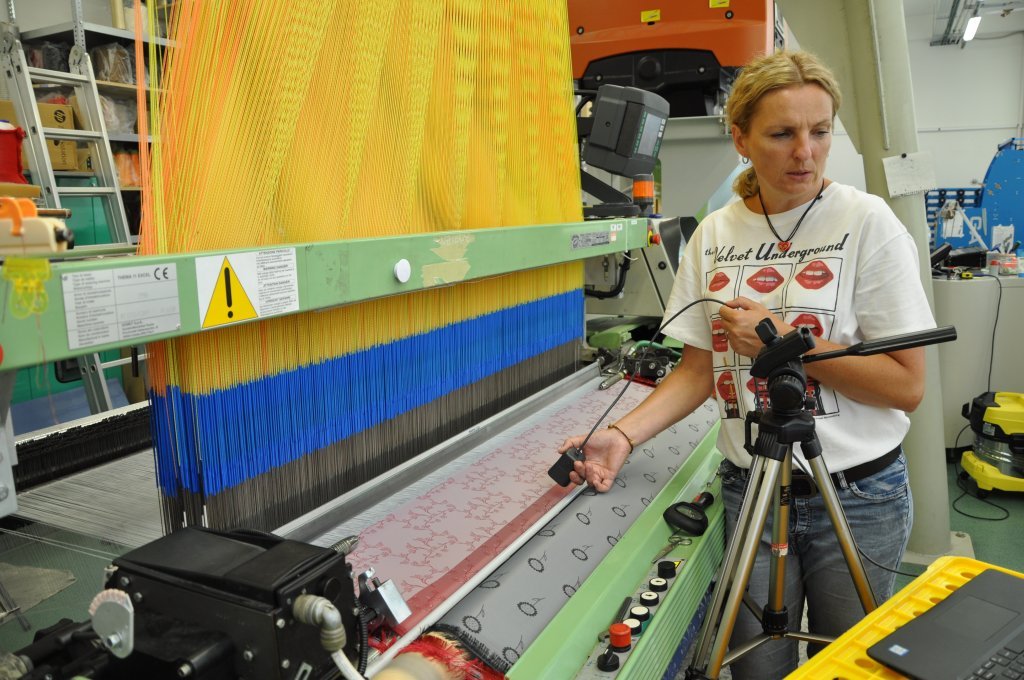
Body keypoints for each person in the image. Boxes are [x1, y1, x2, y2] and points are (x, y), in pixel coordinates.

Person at [558, 50, 935, 679]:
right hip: (752, 487)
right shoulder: (714, 235)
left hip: (858, 496)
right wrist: (621, 434)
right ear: (740, 139)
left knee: (852, 665)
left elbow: (906, 386)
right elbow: (697, 371)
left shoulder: (868, 223)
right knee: (759, 666)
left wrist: (784, 344)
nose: (805, 153)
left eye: (820, 132)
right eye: (782, 134)